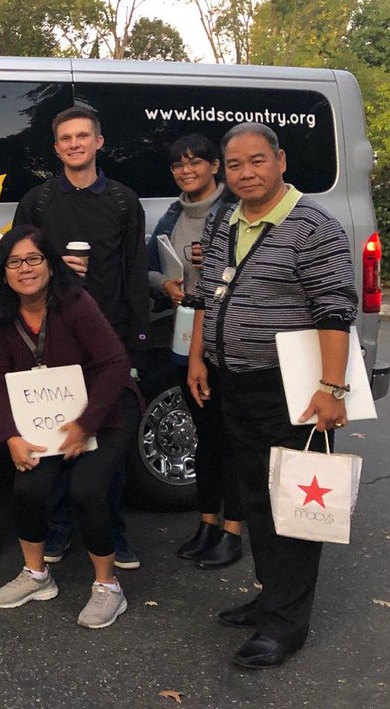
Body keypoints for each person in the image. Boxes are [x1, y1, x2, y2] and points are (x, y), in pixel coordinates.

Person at [188, 123, 357, 670]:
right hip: (234, 383)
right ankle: (271, 598)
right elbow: (206, 297)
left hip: (294, 389)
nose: (246, 173)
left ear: (281, 161)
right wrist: (197, 358)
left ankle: (286, 626)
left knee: (295, 505)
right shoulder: (225, 220)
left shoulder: (314, 226)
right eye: (235, 165)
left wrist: (332, 388)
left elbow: (335, 309)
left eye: (257, 161)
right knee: (257, 499)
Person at [0, 226, 143, 628]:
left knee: (87, 489)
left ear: (51, 265)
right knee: (28, 486)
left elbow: (115, 364)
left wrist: (86, 425)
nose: (25, 269)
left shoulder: (75, 303)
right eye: (14, 262)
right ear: (3, 273)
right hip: (48, 415)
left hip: (106, 411)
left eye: (33, 259)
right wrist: (11, 436)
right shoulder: (1, 314)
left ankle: (108, 587)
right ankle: (37, 576)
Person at [14, 104, 149, 570]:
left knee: (107, 442)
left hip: (108, 344)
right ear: (56, 148)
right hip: (50, 340)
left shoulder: (123, 201)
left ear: (98, 142)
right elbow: (19, 265)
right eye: (66, 138)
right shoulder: (38, 202)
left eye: (82, 136)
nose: (75, 144)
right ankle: (58, 528)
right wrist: (54, 267)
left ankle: (114, 532)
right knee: (55, 438)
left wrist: (136, 344)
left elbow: (135, 274)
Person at [147, 133, 243, 569]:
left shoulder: (236, 211)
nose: (186, 171)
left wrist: (219, 263)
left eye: (195, 162)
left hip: (227, 337)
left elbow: (251, 270)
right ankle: (207, 523)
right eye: (178, 165)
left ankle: (233, 530)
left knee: (232, 436)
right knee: (204, 433)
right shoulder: (172, 214)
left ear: (215, 166)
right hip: (186, 335)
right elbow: (148, 267)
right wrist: (164, 284)